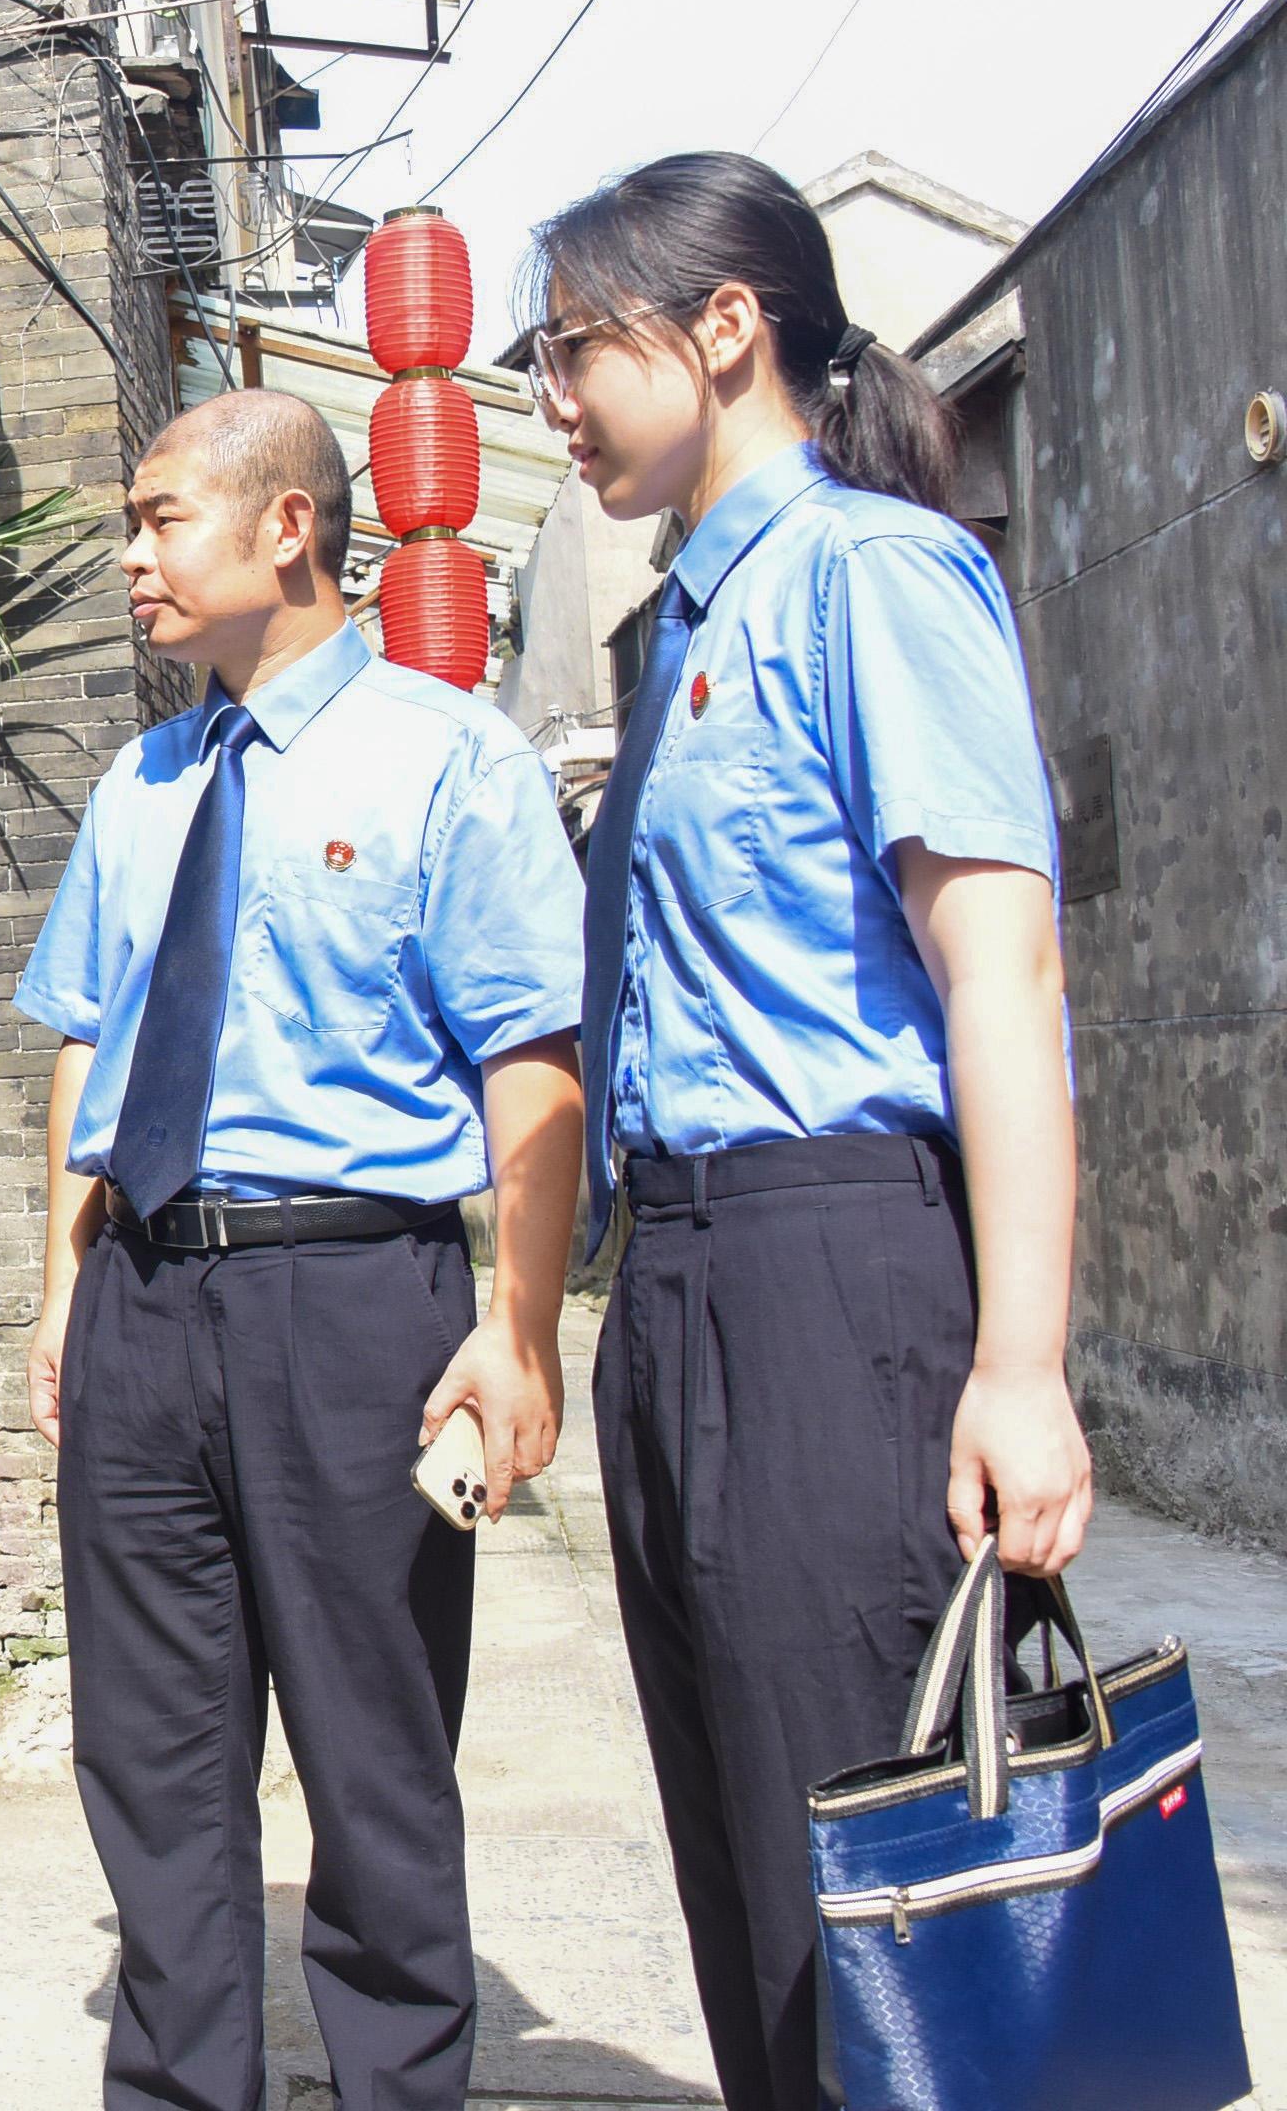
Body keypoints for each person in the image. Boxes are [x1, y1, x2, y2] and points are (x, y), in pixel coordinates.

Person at [525, 151, 1093, 2111]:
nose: (553, 398)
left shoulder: (871, 577)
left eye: (577, 346)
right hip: (678, 1283)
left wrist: (1020, 1365)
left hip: (832, 1270)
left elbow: (998, 971)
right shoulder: (690, 622)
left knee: (880, 1877)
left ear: (723, 328)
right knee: (757, 1881)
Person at [18, 387, 587, 2111]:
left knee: (373, 1753)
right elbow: (87, 1038)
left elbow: (532, 1062)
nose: (132, 557)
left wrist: (520, 1326)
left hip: (353, 1300)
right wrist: (62, 1292)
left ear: (288, 529)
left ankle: (397, 2082)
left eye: (160, 518)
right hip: (141, 1298)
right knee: (152, 1757)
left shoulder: (450, 758)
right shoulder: (142, 783)